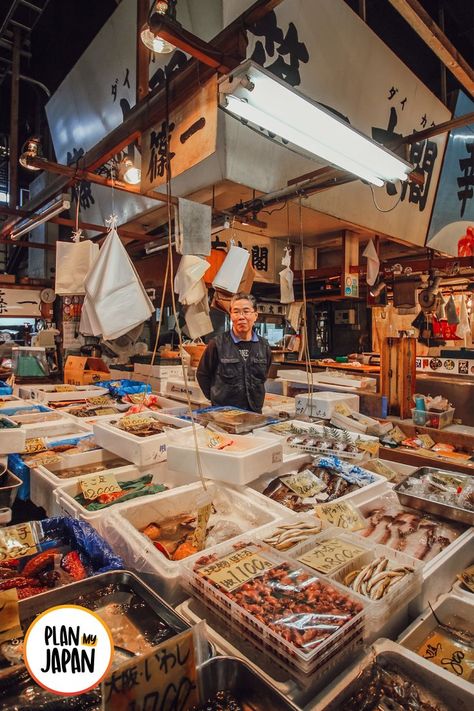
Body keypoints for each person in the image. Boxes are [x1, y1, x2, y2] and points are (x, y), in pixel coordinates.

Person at [196, 293, 272, 413]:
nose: (241, 317)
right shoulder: (217, 344)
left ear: (255, 315)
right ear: (231, 315)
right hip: (224, 413)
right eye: (236, 312)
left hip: (254, 412)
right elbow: (202, 374)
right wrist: (215, 399)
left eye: (246, 311)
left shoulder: (264, 346)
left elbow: (263, 376)